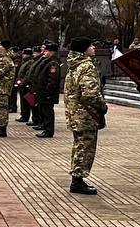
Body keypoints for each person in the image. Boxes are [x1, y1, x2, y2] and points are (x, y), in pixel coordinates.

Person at [63, 37, 107, 194]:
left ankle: (77, 178)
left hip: (75, 114)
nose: (94, 47)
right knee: (85, 147)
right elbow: (91, 94)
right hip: (86, 115)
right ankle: (78, 181)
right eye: (91, 45)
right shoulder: (86, 66)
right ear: (84, 49)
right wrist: (103, 106)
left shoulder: (73, 65)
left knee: (79, 146)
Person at [31, 41, 62, 137]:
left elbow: (52, 80)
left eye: (46, 51)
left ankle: (48, 130)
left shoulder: (53, 63)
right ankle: (45, 128)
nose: (44, 53)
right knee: (44, 111)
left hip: (48, 93)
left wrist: (47, 92)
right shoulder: (47, 61)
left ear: (52, 52)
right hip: (43, 92)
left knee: (48, 112)